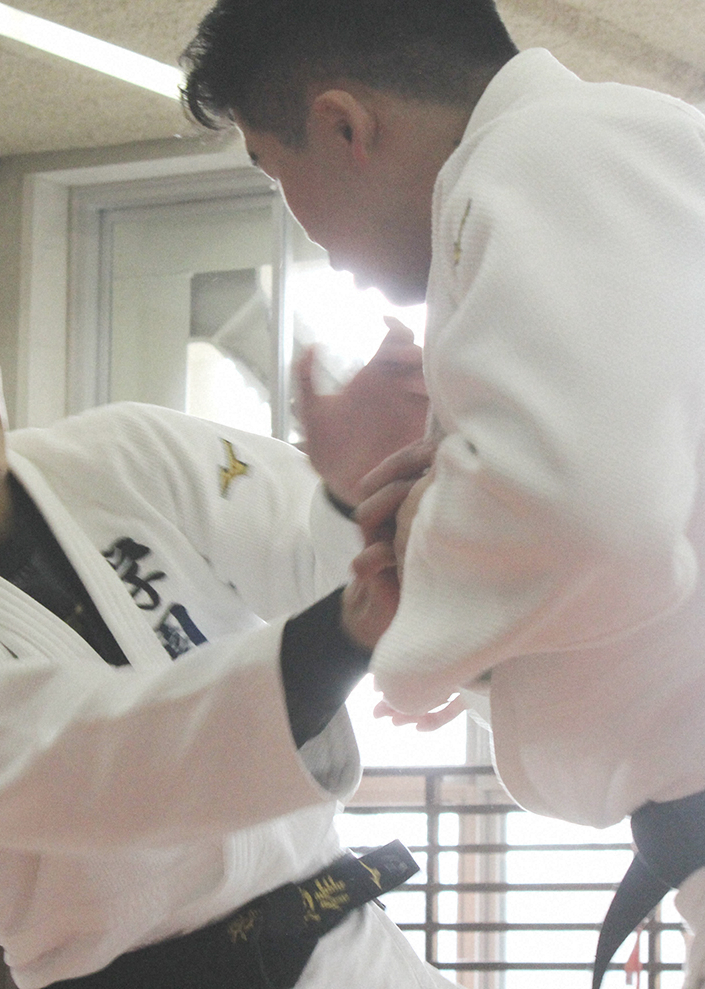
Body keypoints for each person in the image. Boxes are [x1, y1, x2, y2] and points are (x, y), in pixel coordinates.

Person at [0, 208, 456, 989]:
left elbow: (314, 556)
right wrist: (348, 629)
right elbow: (113, 761)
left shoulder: (125, 456)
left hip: (359, 953)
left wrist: (362, 496)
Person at [180, 1, 705, 986]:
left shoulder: (557, 149)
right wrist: (421, 504)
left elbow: (598, 521)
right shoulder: (571, 162)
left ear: (342, 125)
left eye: (275, 170)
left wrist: (418, 536)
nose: (312, 234)